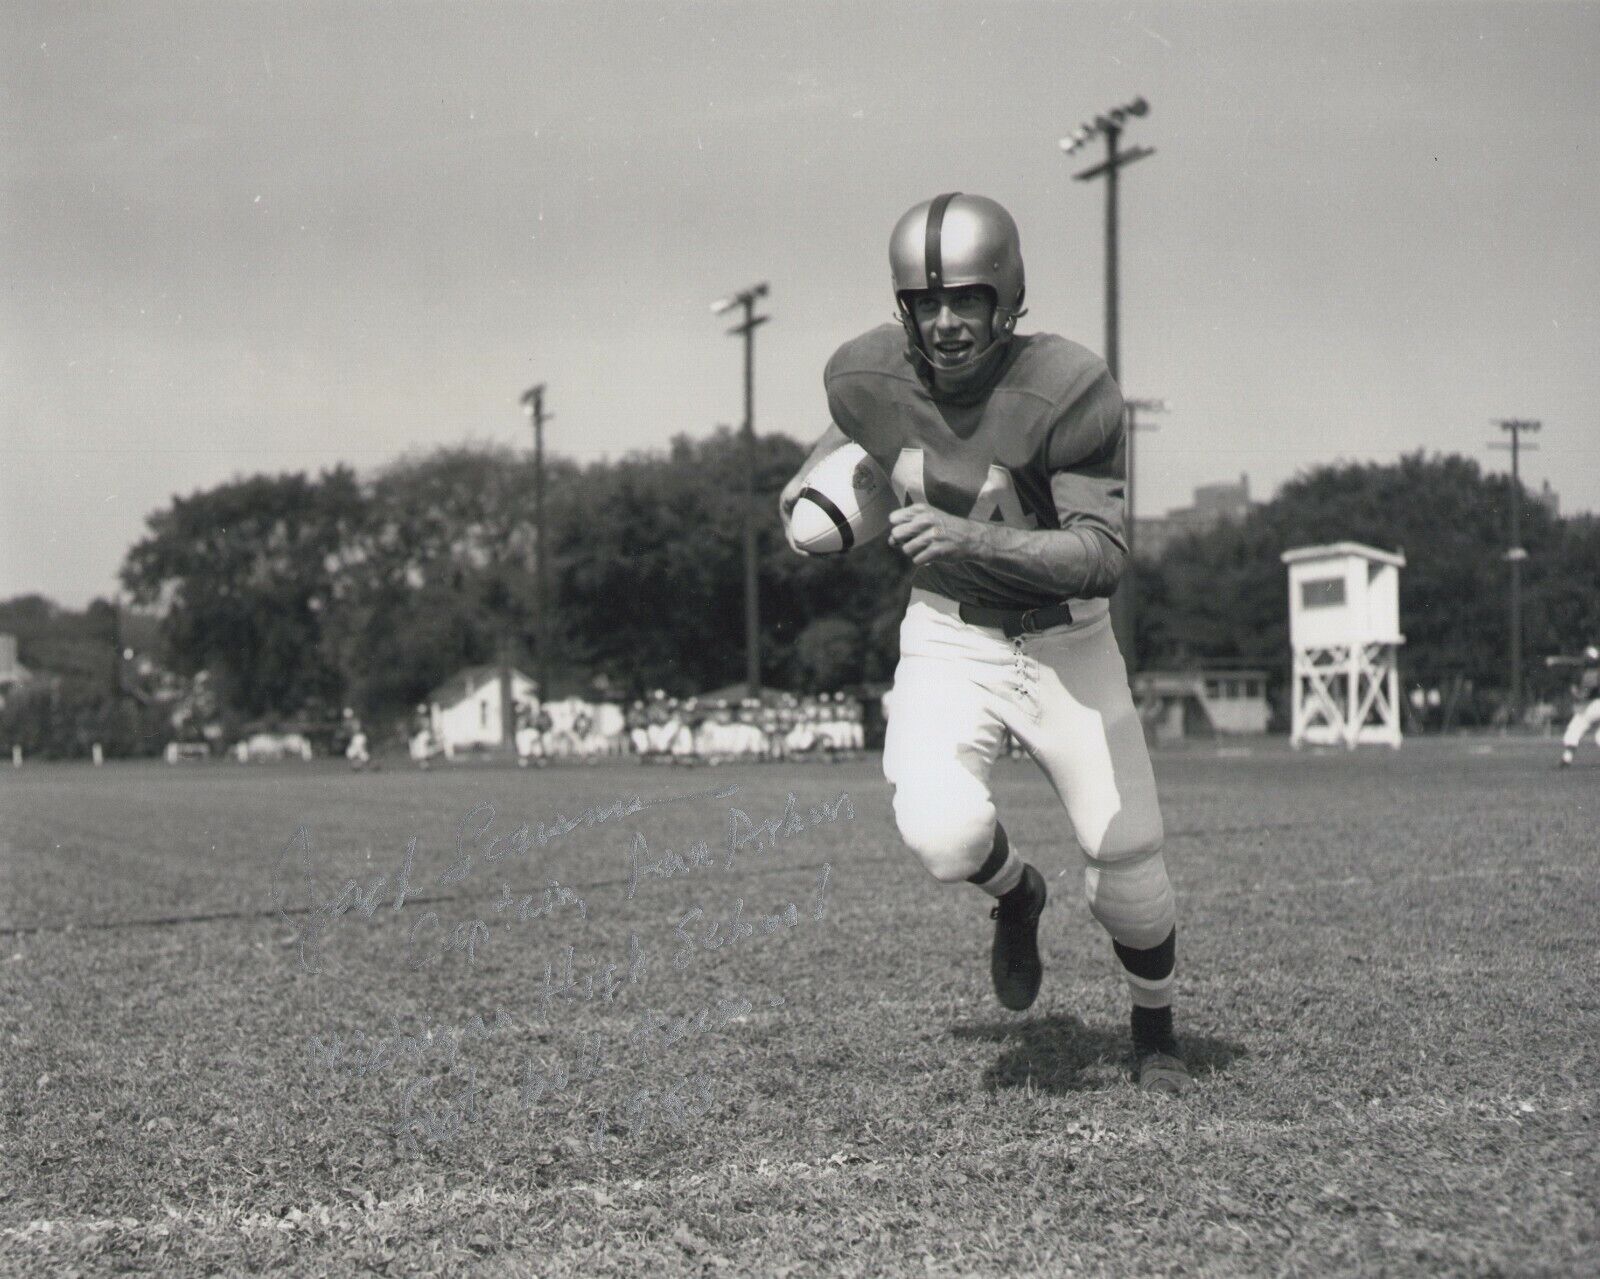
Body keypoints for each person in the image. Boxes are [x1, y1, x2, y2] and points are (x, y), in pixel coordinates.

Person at [779, 193, 1189, 1093]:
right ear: (905, 311)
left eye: (967, 299)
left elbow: (1102, 556)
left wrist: (975, 539)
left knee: (1128, 867)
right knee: (941, 832)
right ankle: (1017, 893)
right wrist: (816, 494)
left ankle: (1154, 1031)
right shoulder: (862, 374)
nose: (948, 322)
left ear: (1008, 300)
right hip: (949, 635)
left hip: (1067, 643)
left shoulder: (1068, 388)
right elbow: (858, 428)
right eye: (927, 304)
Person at [1559, 646, 1600, 768]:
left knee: (1575, 729)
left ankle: (1567, 758)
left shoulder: (1591, 674)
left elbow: (1585, 694)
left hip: (1594, 705)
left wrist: (1575, 693)